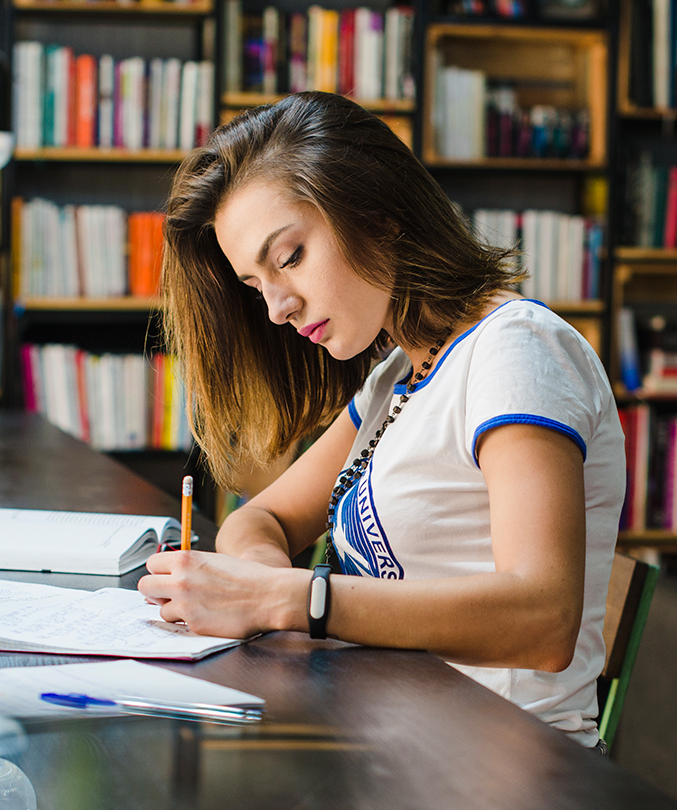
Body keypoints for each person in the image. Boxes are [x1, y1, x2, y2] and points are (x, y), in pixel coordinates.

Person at [136, 91, 625, 749]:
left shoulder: (516, 352)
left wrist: (288, 600)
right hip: (391, 742)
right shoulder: (398, 376)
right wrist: (262, 581)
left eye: (289, 258)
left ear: (380, 213)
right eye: (255, 287)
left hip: (509, 767)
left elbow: (544, 618)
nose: (278, 308)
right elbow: (262, 519)